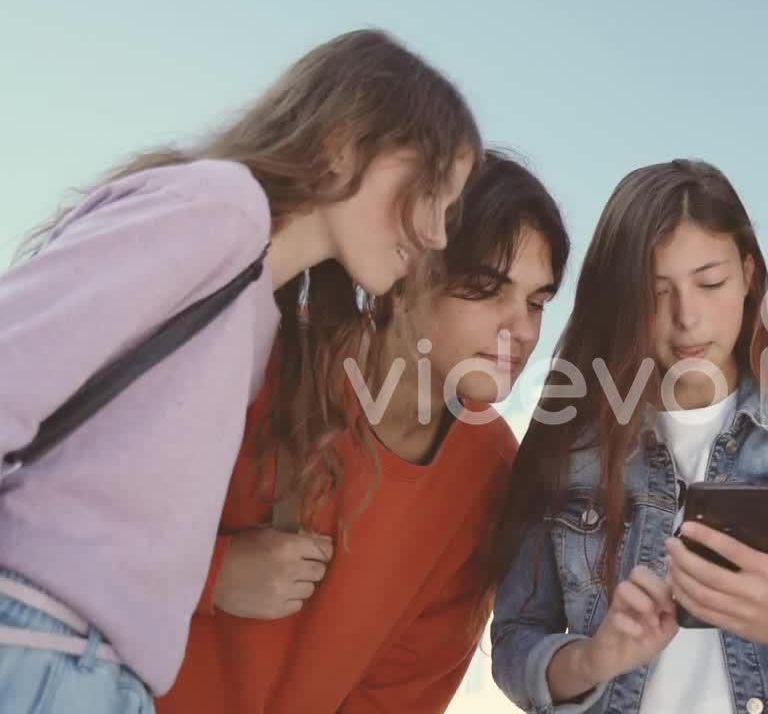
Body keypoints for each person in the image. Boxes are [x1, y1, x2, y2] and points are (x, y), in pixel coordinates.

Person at [0, 28, 479, 712]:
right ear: (342, 144)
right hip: (39, 649)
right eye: (430, 189)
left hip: (98, 673)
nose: (436, 233)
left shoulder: (261, 307)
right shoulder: (223, 209)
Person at [155, 149, 571, 714]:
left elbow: (404, 688)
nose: (521, 328)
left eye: (536, 302)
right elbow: (58, 526)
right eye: (488, 288)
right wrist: (213, 577)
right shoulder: (263, 356)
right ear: (408, 273)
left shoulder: (492, 469)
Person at [489, 158, 768, 714]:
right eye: (656, 293)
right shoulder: (564, 449)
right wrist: (595, 658)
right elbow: (516, 642)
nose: (688, 318)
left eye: (710, 282)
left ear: (749, 275)